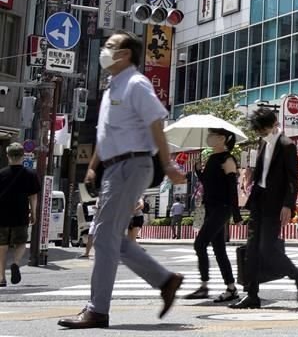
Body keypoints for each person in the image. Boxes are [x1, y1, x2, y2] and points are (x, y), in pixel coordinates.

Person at [58, 31, 187, 329]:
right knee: (111, 237)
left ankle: (97, 309)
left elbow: (156, 121)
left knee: (104, 235)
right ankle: (165, 280)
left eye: (111, 46)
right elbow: (106, 135)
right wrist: (92, 167)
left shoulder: (136, 83)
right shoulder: (112, 87)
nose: (105, 50)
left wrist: (167, 164)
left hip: (132, 164)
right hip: (115, 167)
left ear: (126, 54)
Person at [231, 107, 298, 309]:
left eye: (262, 129)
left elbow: (293, 179)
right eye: (258, 130)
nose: (259, 133)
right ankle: (252, 294)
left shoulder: (287, 145)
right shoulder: (262, 142)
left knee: (266, 247)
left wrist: (288, 205)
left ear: (273, 124)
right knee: (252, 249)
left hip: (275, 204)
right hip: (258, 200)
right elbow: (263, 172)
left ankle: (297, 274)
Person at [184, 129, 242, 303]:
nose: (209, 137)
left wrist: (236, 214)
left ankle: (204, 286)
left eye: (212, 135)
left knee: (200, 243)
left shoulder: (228, 159)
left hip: (222, 209)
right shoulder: (211, 158)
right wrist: (198, 172)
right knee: (219, 250)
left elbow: (232, 189)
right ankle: (231, 288)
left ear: (222, 139)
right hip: (210, 208)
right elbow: (210, 184)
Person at [0, 143, 40, 287]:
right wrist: (33, 213)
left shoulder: (1, 174)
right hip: (21, 213)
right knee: (21, 242)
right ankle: (16, 263)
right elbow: (33, 197)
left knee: (2, 245)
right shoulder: (30, 174)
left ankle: (1, 277)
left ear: (8, 156)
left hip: (2, 214)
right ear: (23, 156)